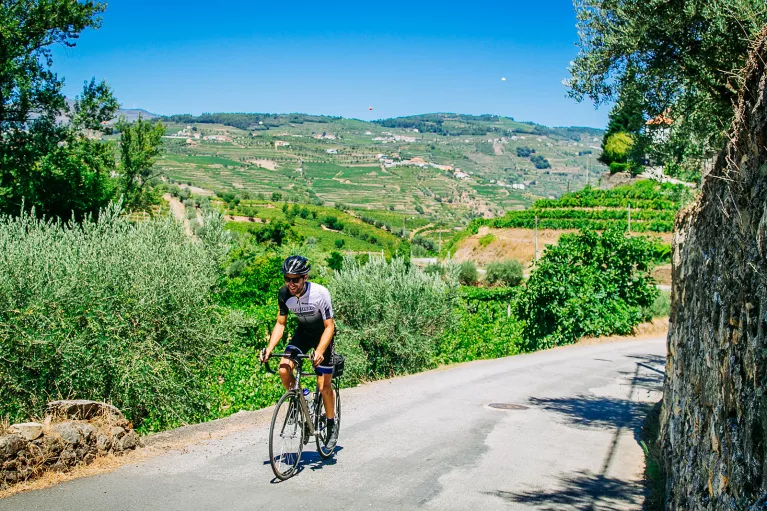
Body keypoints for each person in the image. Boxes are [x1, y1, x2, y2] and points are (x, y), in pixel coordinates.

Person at [260, 255, 337, 444]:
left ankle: (330, 423)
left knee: (323, 386)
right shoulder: (284, 294)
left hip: (322, 336)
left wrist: (319, 351)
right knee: (284, 369)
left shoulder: (320, 293)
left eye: (295, 279)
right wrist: (269, 348)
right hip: (302, 333)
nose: (291, 283)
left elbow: (330, 326)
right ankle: (301, 399)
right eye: (287, 278)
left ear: (305, 277)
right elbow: (280, 323)